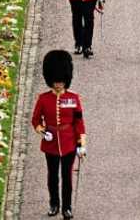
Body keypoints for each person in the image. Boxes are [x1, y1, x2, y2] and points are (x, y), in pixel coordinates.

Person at [31, 50, 85, 219]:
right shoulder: (43, 99)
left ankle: (67, 207)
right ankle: (54, 204)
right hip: (51, 143)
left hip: (68, 142)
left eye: (61, 82)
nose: (58, 85)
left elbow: (79, 123)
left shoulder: (73, 98)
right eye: (55, 82)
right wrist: (42, 131)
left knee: (67, 177)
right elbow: (35, 120)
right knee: (52, 176)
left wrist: (81, 144)